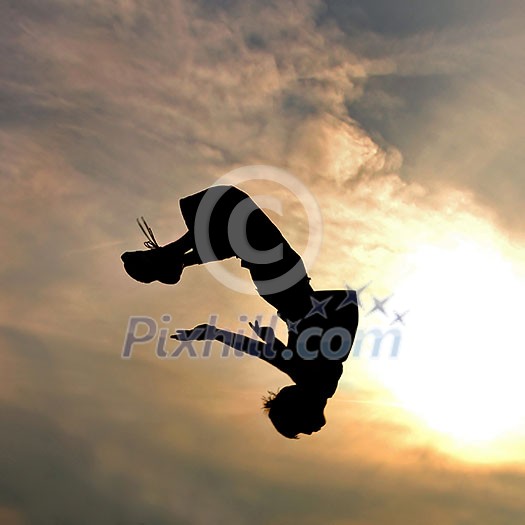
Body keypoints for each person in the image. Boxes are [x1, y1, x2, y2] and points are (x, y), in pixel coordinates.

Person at [121, 185, 359, 438]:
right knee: (233, 222)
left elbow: (260, 349)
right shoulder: (313, 379)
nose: (281, 391)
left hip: (285, 283)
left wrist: (215, 334)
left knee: (232, 212)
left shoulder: (310, 378)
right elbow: (264, 348)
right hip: (284, 287)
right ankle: (172, 258)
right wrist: (215, 333)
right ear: (298, 405)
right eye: (282, 398)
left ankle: (170, 257)